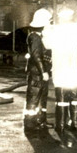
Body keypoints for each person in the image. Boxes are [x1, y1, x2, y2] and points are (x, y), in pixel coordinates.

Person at [43, 6, 77, 146]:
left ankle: (60, 126)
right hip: (76, 73)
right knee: (76, 100)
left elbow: (47, 45)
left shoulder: (55, 30)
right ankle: (75, 125)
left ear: (60, 17)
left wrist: (46, 29)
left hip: (60, 73)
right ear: (72, 16)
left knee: (61, 101)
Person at [23, 8, 52, 136]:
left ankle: (40, 120)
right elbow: (36, 56)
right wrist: (43, 71)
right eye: (49, 21)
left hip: (40, 73)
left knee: (42, 97)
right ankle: (30, 124)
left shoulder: (39, 37)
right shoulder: (35, 37)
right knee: (34, 98)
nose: (50, 24)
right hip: (37, 74)